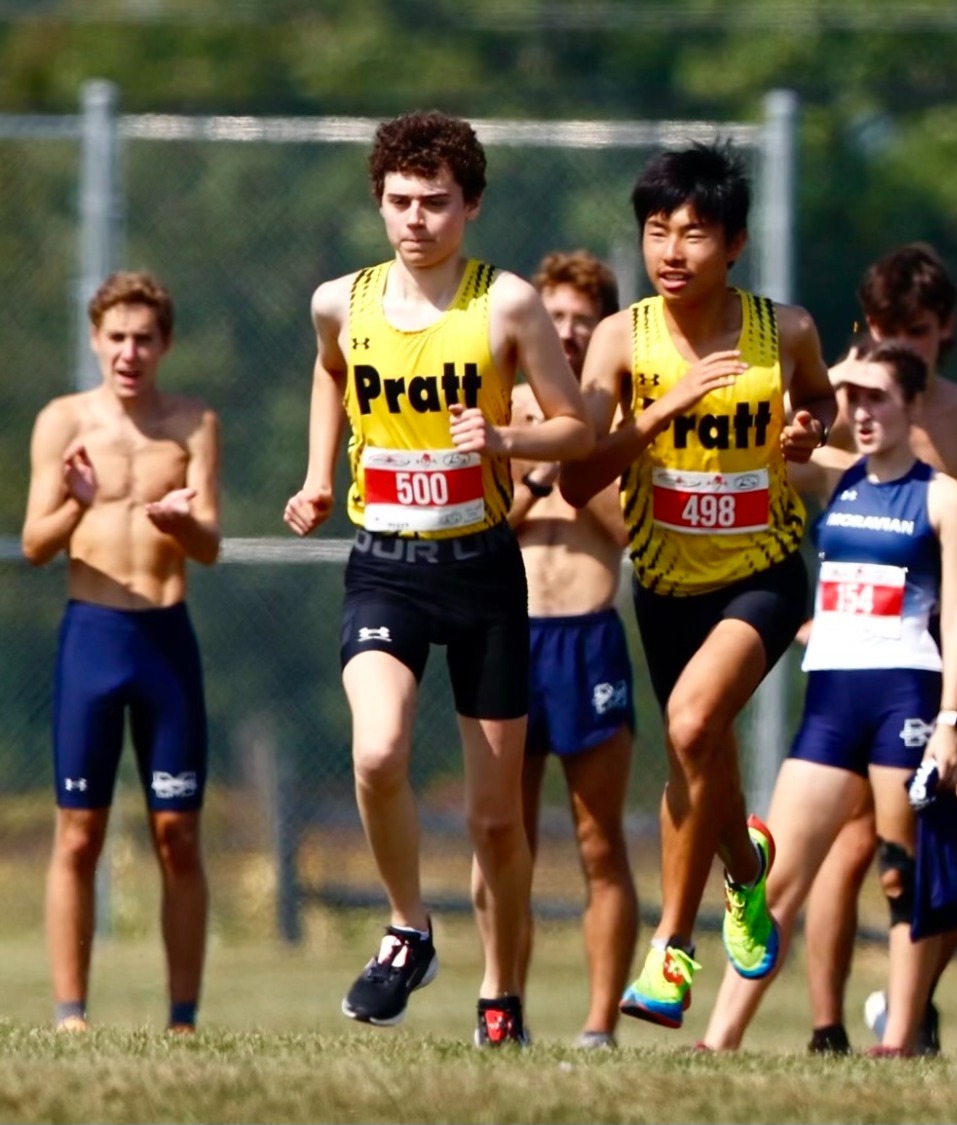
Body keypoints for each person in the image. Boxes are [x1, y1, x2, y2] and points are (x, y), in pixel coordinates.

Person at [281, 112, 594, 1046]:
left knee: (497, 822)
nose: (416, 219)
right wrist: (317, 474)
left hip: (483, 568)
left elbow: (575, 427)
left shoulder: (509, 305)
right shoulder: (341, 301)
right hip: (388, 563)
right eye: (400, 201)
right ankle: (408, 927)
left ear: (472, 205)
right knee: (378, 752)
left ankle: (501, 998)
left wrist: (503, 438)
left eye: (436, 202)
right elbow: (331, 371)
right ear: (379, 203)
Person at [558, 143, 836, 1032]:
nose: (673, 251)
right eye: (657, 231)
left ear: (736, 243)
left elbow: (820, 401)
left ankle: (671, 949)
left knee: (688, 726)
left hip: (764, 574)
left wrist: (807, 428)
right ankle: (746, 870)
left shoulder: (785, 331)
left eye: (695, 233)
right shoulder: (619, 339)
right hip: (665, 585)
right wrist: (662, 408)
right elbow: (576, 478)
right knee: (697, 748)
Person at [698, 338, 957, 1055]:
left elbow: (956, 620)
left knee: (900, 872)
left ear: (913, 403)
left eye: (878, 396)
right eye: (853, 399)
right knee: (775, 876)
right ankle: (719, 1039)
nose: (862, 411)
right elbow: (761, 447)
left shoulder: (944, 497)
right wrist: (833, 382)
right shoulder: (834, 474)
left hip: (904, 696)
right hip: (830, 701)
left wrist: (950, 723)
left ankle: (901, 1038)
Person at [800, 245, 957, 1055]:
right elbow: (789, 476)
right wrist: (807, 609)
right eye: (891, 330)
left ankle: (911, 996)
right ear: (869, 329)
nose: (908, 346)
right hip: (865, 648)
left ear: (946, 329)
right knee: (857, 838)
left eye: (922, 330)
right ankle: (827, 1026)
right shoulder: (845, 406)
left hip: (946, 643)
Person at [24, 273, 218, 1036]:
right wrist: (75, 501)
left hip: (166, 638)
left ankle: (183, 1018)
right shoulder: (63, 422)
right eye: (116, 337)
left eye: (143, 338)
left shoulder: (194, 423)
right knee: (79, 831)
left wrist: (180, 522)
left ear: (164, 343)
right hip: (94, 639)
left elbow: (210, 544)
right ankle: (71, 1012)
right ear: (95, 340)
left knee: (178, 835)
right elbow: (35, 544)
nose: (129, 352)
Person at [471, 250, 638, 1049]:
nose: (567, 332)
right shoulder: (497, 407)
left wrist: (573, 455)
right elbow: (479, 525)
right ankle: (503, 1006)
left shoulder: (614, 417)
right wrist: (532, 470)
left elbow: (629, 528)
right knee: (505, 835)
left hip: (588, 637)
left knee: (599, 840)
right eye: (556, 316)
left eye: (582, 320)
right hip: (508, 633)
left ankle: (599, 1025)